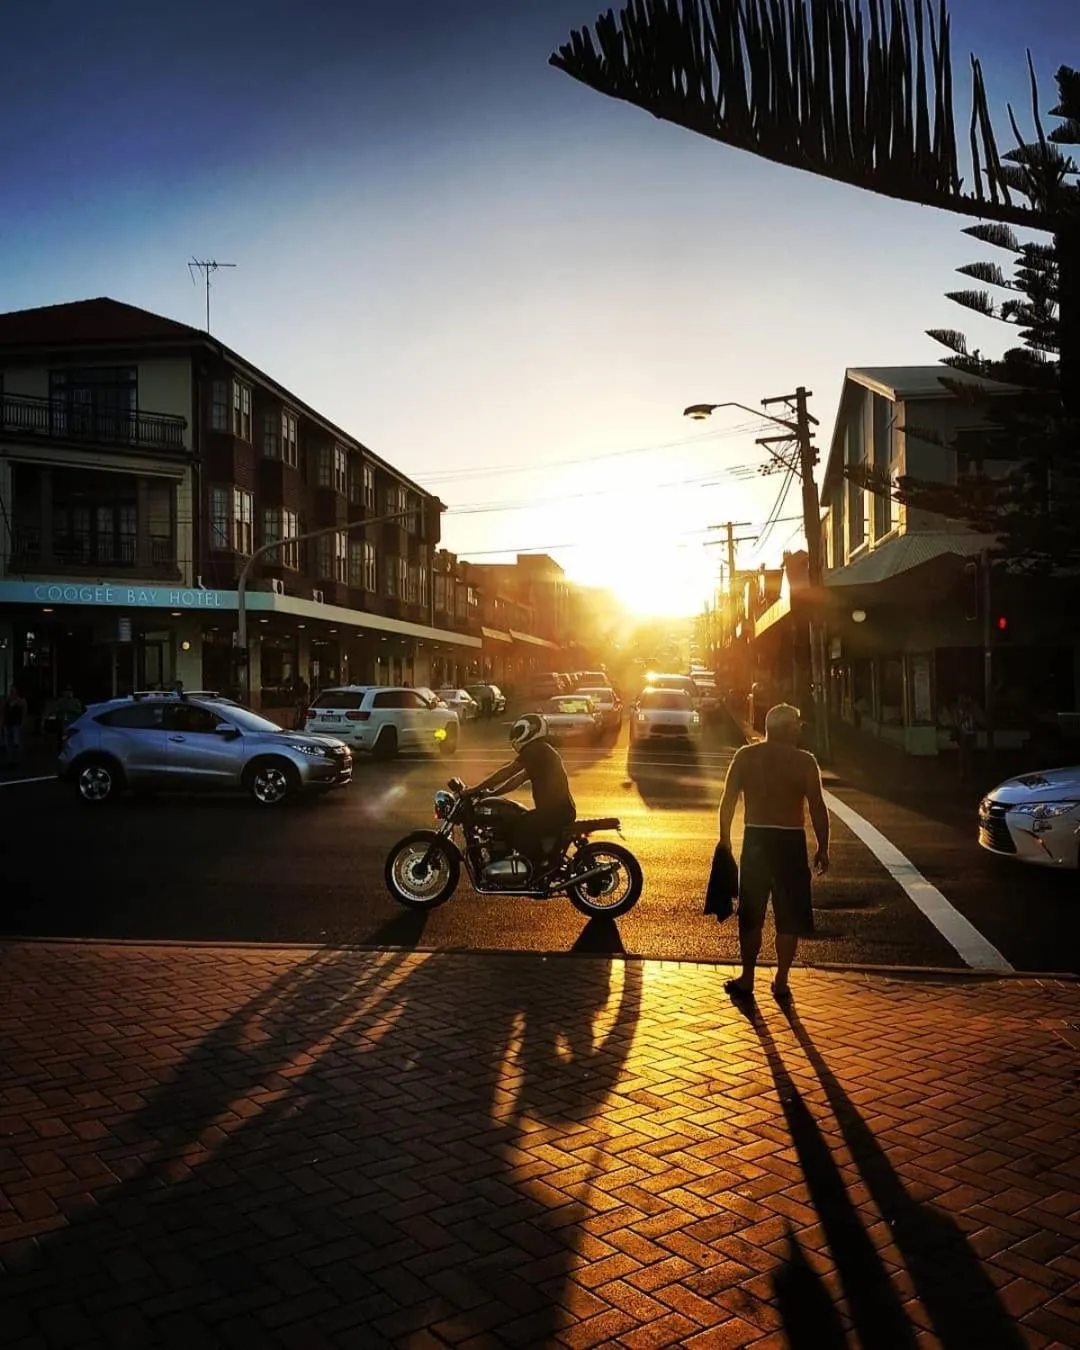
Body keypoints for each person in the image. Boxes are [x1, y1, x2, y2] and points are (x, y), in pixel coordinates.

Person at [717, 702, 830, 1002]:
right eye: (798, 726)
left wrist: (724, 839)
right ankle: (781, 980)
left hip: (755, 840)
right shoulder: (804, 762)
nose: (799, 731)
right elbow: (817, 808)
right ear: (790, 729)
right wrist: (823, 846)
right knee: (788, 917)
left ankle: (748, 976)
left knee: (751, 915)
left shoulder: (746, 756)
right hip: (789, 843)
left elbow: (728, 800)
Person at [470, 713, 576, 878]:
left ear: (531, 730)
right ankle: (539, 863)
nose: (516, 736)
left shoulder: (536, 749)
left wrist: (475, 789)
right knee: (515, 821)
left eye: (519, 731)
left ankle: (538, 868)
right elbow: (516, 780)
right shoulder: (541, 751)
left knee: (514, 831)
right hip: (557, 811)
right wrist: (492, 794)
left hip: (554, 813)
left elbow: (508, 772)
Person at [2, 686, 29, 768]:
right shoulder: (7, 700)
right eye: (11, 691)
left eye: (13, 691)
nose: (12, 692)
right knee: (8, 742)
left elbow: (24, 712)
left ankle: (17, 759)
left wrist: (23, 722)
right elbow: (3, 711)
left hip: (16, 723)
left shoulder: (20, 701)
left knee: (16, 742)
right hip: (8, 723)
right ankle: (10, 759)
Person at [54, 685, 83, 749]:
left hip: (73, 724)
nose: (68, 693)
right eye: (66, 691)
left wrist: (72, 711)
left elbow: (79, 712)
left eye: (70, 691)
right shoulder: (61, 701)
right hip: (64, 724)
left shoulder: (76, 701)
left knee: (73, 739)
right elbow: (57, 711)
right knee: (64, 739)